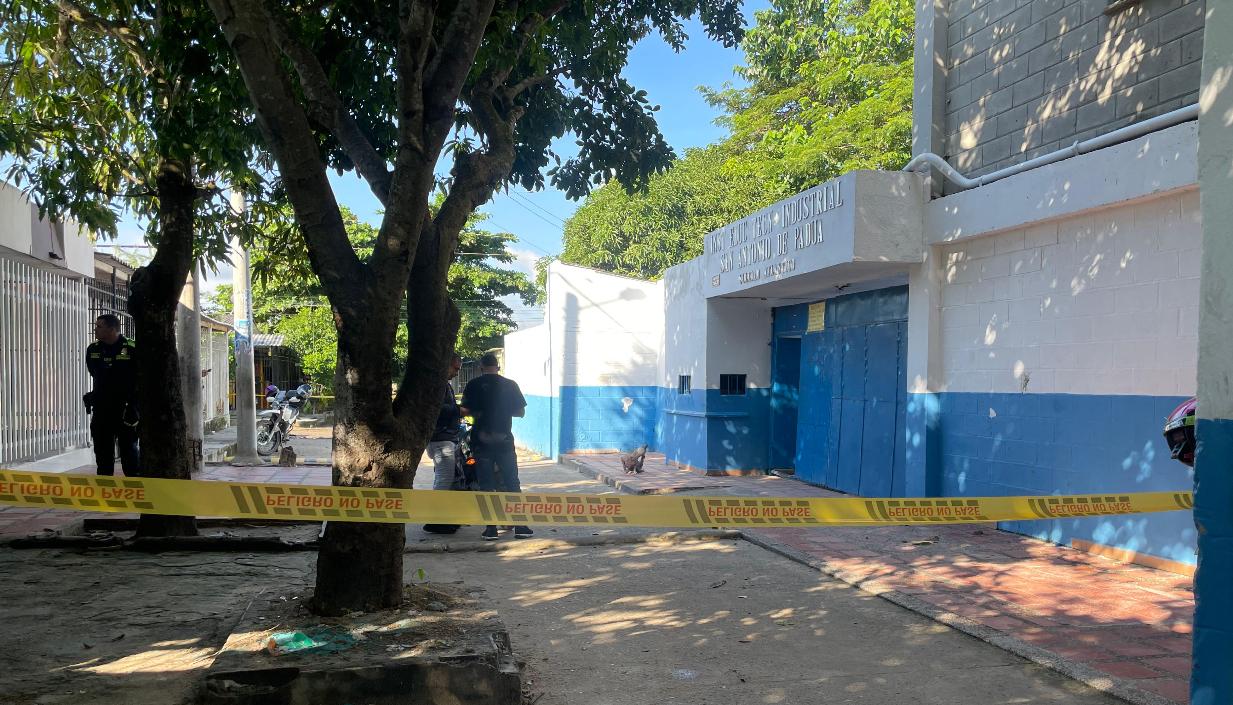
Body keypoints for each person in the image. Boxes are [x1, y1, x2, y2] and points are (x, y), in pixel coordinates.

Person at [460, 352, 530, 540]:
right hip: (505, 441)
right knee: (512, 482)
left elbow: (464, 410)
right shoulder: (510, 385)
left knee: (486, 485)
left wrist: (479, 410)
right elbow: (520, 412)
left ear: (481, 367)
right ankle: (521, 526)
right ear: (498, 366)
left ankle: (491, 529)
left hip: (481, 442)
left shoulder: (473, 385)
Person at [84, 314, 139, 476]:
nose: (95, 329)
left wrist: (134, 405)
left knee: (129, 451)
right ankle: (105, 491)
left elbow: (140, 378)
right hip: (102, 408)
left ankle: (134, 488)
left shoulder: (131, 347)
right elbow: (96, 374)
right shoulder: (93, 349)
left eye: (99, 326)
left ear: (112, 329)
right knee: (102, 454)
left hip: (126, 408)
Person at [423, 354, 464, 535]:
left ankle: (443, 518)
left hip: (444, 439)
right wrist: (459, 410)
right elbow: (436, 410)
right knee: (444, 480)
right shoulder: (438, 385)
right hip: (441, 440)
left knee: (448, 479)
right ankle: (435, 521)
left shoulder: (444, 385)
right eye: (455, 368)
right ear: (446, 365)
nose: (457, 372)